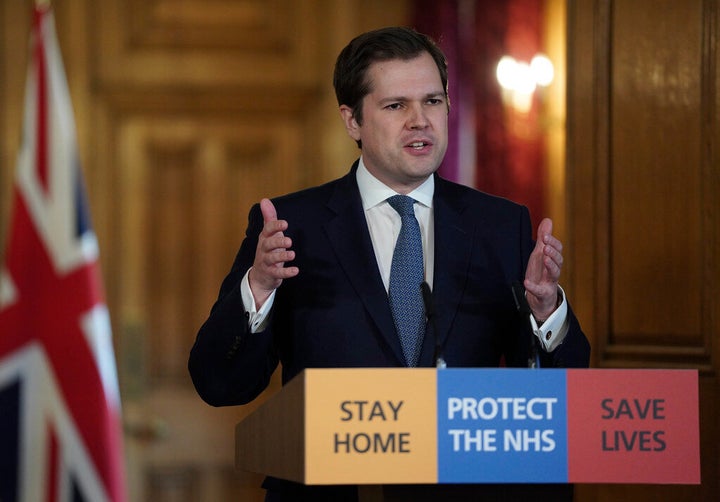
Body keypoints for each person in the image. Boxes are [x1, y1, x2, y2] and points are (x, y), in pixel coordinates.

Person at [189, 26, 590, 501]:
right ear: (352, 121)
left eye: (433, 101)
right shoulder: (290, 227)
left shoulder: (499, 225)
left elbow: (560, 400)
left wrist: (546, 314)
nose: (420, 121)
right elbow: (220, 383)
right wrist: (257, 289)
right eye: (396, 105)